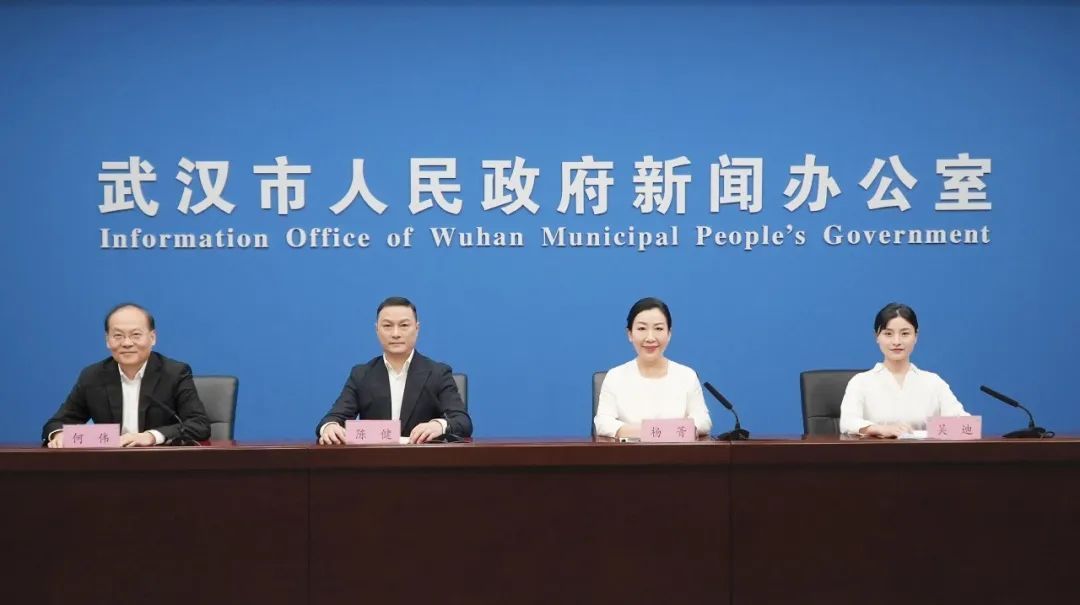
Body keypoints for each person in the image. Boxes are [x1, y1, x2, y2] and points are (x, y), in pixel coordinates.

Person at [42, 303, 210, 447]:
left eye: (136, 335)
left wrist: (151, 436)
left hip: (161, 463)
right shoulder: (93, 376)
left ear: (152, 338)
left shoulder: (174, 373)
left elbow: (199, 425)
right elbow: (55, 423)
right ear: (107, 340)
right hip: (110, 465)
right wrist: (60, 435)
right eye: (118, 336)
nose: (127, 343)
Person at [316, 296, 472, 444]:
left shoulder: (438, 373)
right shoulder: (361, 374)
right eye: (387, 326)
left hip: (423, 459)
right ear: (377, 330)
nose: (395, 334)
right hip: (374, 459)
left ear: (417, 328)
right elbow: (332, 418)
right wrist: (330, 427)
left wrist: (439, 425)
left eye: (404, 325)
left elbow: (463, 422)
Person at [839, 302, 969, 438]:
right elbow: (847, 423)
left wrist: (927, 432)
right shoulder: (860, 382)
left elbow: (965, 425)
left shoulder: (933, 382)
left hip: (924, 451)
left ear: (916, 336)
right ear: (876, 336)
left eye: (905, 333)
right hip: (876, 451)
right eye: (888, 334)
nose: (896, 341)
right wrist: (880, 429)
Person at [593, 297, 712, 439]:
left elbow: (703, 421)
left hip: (677, 452)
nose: (650, 338)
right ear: (630, 334)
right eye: (642, 328)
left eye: (658, 328)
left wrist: (651, 432)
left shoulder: (687, 376)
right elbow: (603, 423)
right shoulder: (615, 376)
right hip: (629, 452)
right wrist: (661, 432)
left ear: (669, 334)